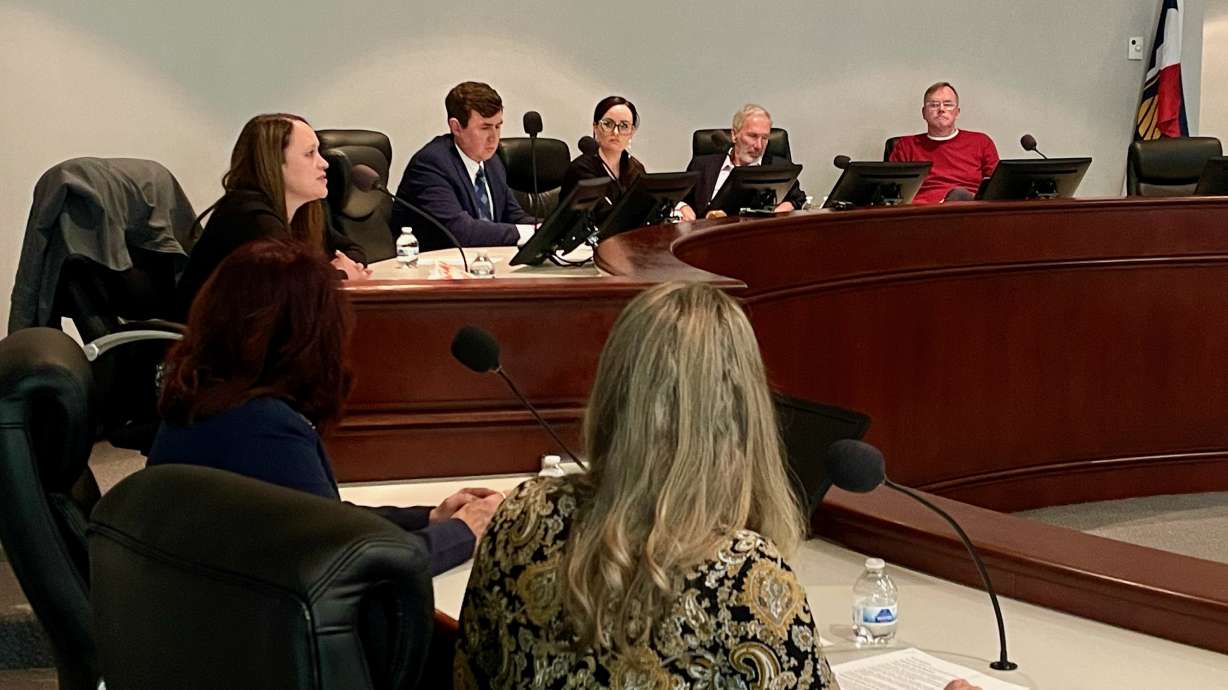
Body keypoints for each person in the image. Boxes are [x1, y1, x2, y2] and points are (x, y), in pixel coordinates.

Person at [454, 281, 837, 688]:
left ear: (613, 391)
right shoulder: (745, 575)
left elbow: (467, 674)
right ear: (742, 415)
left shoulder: (523, 514)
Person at [149, 240, 501, 575]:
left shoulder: (208, 397)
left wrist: (429, 519)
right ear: (308, 336)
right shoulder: (262, 428)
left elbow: (324, 519)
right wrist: (463, 533)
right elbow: (347, 569)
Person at [174, 113, 370, 320]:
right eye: (310, 153)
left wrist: (340, 269)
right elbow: (290, 288)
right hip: (211, 341)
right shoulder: (247, 215)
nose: (324, 163)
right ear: (274, 163)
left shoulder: (305, 211)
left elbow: (352, 250)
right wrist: (340, 274)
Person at [392, 81, 536, 252]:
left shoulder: (493, 162)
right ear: (456, 127)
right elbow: (462, 231)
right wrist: (529, 232)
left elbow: (512, 215)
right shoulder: (431, 164)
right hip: (433, 269)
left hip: (484, 263)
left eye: (498, 126)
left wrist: (548, 230)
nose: (494, 137)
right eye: (485, 128)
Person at [678, 103, 807, 219]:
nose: (759, 146)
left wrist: (777, 212)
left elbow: (797, 199)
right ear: (734, 135)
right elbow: (682, 199)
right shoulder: (702, 165)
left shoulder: (778, 167)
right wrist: (683, 207)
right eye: (753, 136)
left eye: (765, 138)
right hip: (705, 237)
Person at [888, 81, 1000, 204]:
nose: (941, 109)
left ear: (957, 112)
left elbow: (998, 187)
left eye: (947, 104)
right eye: (934, 105)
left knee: (960, 195)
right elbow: (891, 192)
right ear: (924, 113)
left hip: (970, 210)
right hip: (923, 213)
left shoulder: (981, 142)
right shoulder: (906, 146)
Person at [560, 96, 646, 223]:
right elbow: (602, 217)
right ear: (595, 127)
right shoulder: (581, 169)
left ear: (632, 132)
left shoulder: (636, 167)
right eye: (608, 124)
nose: (616, 132)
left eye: (624, 126)